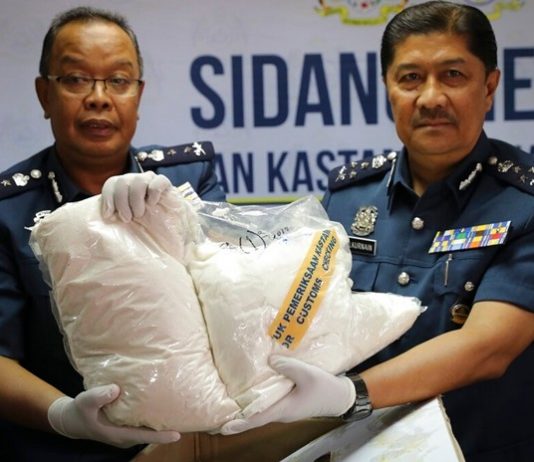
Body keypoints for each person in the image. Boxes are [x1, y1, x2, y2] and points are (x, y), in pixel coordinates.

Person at [218, 2, 534, 461]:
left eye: (452, 76)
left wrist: (352, 394)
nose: (430, 98)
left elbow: (488, 347)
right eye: (411, 78)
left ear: (489, 87)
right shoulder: (348, 199)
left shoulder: (523, 203)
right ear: (387, 87)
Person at [0, 6, 224, 462]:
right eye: (76, 79)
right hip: (58, 449)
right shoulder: (8, 209)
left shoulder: (186, 179)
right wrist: (64, 415)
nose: (99, 98)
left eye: (119, 81)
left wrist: (172, 218)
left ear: (138, 94)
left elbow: (228, 299)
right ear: (44, 94)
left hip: (189, 442)